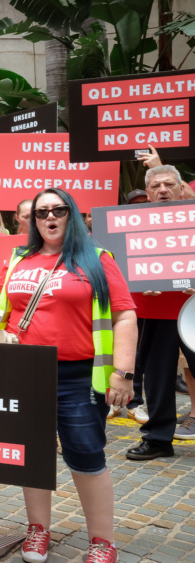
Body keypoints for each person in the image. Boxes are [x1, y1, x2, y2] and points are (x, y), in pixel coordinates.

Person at [0, 188, 137, 563]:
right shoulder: (19, 259)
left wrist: (123, 372)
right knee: (32, 455)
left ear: (72, 215)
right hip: (25, 373)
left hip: (78, 375)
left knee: (86, 454)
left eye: (59, 210)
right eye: (41, 212)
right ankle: (38, 529)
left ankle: (102, 540)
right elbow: (0, 315)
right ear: (31, 220)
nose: (50, 217)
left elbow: (124, 315)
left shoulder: (97, 258)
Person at [124, 165, 195, 458]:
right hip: (153, 311)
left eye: (168, 184)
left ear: (182, 189)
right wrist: (138, 285)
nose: (162, 190)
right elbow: (121, 267)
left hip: (192, 310)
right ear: (148, 193)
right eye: (155, 186)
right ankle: (158, 439)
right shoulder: (130, 223)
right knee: (156, 378)